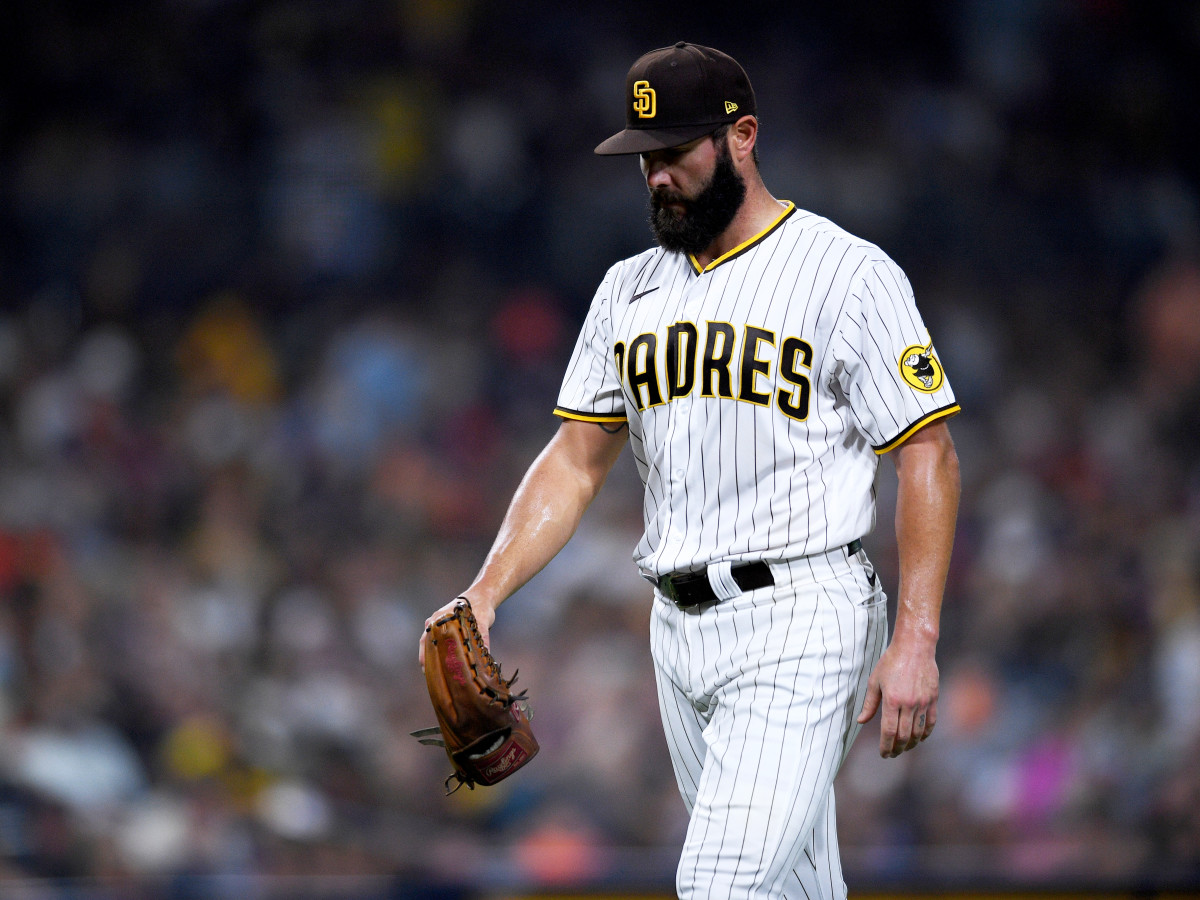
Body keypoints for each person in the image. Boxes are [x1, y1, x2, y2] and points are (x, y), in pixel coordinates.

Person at [421, 42, 961, 899]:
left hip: (806, 613)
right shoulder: (626, 291)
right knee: (790, 890)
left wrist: (918, 639)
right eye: (643, 158)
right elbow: (575, 459)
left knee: (719, 886)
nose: (657, 177)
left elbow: (926, 453)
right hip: (676, 629)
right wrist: (486, 592)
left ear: (742, 136)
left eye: (674, 152)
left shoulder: (846, 273)